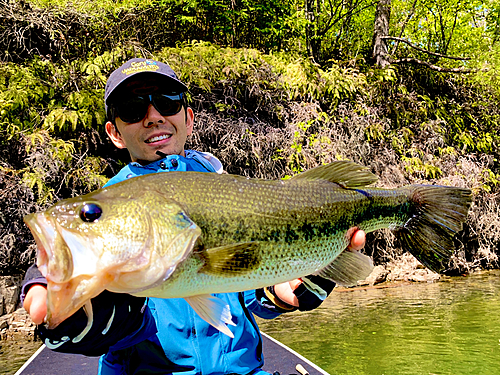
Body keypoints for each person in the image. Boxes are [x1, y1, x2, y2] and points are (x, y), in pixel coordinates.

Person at [22, 58, 366, 374]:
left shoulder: (221, 187)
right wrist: (57, 299)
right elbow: (69, 270)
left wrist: (282, 293)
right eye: (132, 108)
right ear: (114, 133)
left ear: (187, 118)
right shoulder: (111, 206)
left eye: (168, 101)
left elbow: (243, 294)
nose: (153, 115)